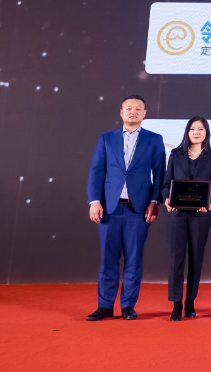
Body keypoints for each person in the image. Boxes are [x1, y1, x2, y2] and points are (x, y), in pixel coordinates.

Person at [85, 95, 165, 321]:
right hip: (108, 208)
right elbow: (96, 171)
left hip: (138, 210)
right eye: (128, 108)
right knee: (107, 260)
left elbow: (160, 174)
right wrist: (94, 200)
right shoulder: (106, 138)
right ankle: (104, 306)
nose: (133, 111)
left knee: (134, 259)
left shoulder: (154, 139)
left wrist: (154, 201)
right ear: (121, 112)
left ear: (144, 114)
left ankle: (128, 306)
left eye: (138, 108)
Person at [160, 117, 211, 321]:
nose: (196, 132)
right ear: (187, 132)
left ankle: (190, 302)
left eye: (201, 129)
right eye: (192, 129)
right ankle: (176, 304)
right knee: (176, 258)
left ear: (206, 133)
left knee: (196, 258)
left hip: (200, 214)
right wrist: (167, 199)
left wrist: (208, 201)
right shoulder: (175, 154)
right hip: (176, 213)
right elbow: (166, 183)